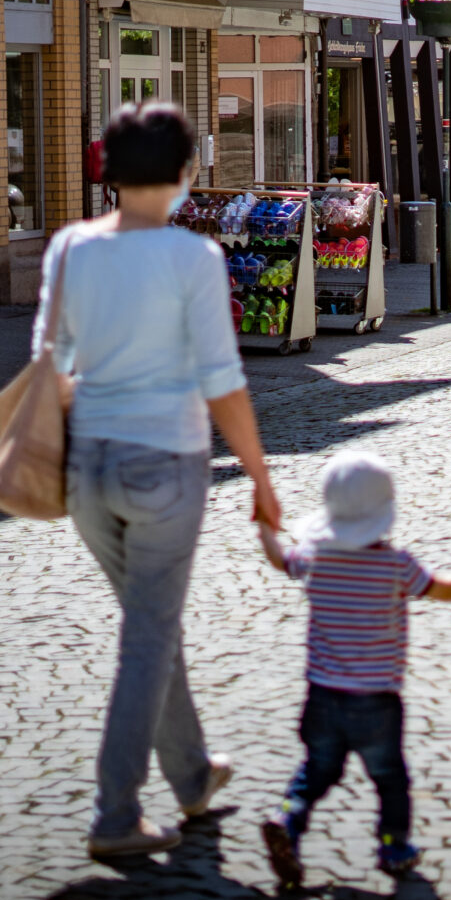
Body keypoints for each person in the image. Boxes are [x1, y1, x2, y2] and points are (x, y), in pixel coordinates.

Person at [37, 102, 280, 861]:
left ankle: (193, 773)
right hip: (163, 467)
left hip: (89, 470)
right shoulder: (191, 260)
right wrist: (261, 477)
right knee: (147, 633)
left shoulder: (71, 248)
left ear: (106, 171)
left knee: (152, 622)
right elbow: (221, 381)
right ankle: (114, 812)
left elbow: (54, 364)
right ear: (183, 174)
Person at [256, 451, 451, 889]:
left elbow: (277, 558)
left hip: (323, 695)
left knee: (317, 769)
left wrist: (265, 525)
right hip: (376, 701)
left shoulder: (314, 556)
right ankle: (393, 845)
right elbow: (440, 589)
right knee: (389, 778)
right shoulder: (394, 564)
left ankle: (287, 819)